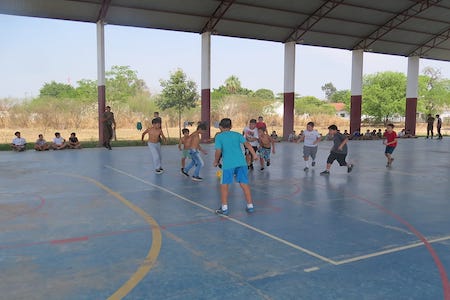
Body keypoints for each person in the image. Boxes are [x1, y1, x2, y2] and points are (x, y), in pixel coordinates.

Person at [214, 118, 258, 215]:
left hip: (229, 164)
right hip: (241, 163)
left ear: (220, 127)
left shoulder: (219, 137)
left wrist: (216, 161)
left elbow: (218, 151)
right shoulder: (237, 134)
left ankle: (224, 208)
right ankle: (250, 206)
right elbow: (248, 145)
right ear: (231, 127)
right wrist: (254, 155)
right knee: (244, 184)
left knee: (224, 185)